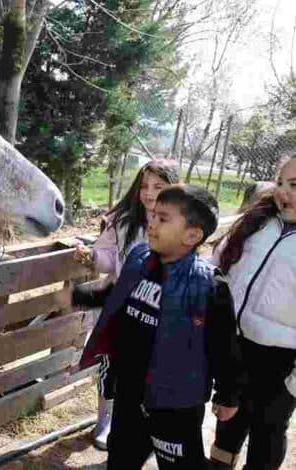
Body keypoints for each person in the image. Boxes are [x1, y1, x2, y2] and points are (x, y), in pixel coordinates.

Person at [63, 184, 243, 469]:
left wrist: (228, 394)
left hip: (175, 403)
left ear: (192, 235)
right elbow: (119, 295)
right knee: (121, 458)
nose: (152, 223)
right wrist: (81, 296)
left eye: (163, 218)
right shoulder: (139, 259)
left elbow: (223, 346)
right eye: (153, 215)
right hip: (130, 392)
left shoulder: (208, 286)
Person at [74, 158, 180, 449]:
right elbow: (109, 257)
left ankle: (133, 424)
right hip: (122, 310)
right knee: (112, 368)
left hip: (156, 313)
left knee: (143, 373)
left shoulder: (181, 223)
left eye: (159, 186)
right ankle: (104, 421)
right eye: (144, 185)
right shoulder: (123, 221)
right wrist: (93, 257)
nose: (149, 192)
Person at [208, 156, 296, 470]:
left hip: (282, 364)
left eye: (295, 185)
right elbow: (217, 266)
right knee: (227, 426)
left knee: (268, 433)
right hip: (236, 349)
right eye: (281, 183)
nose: (284, 192)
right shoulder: (256, 222)